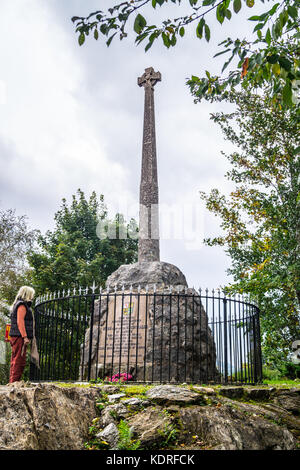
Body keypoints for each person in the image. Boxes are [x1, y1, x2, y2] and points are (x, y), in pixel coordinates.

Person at [9, 286, 35, 383]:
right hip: (19, 337)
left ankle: (13, 382)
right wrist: (25, 337)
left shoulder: (19, 304)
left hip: (16, 336)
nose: (32, 296)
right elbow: (20, 322)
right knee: (19, 361)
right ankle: (14, 383)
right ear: (27, 294)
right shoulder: (22, 305)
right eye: (32, 294)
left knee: (16, 360)